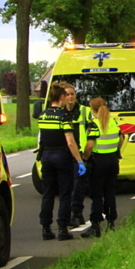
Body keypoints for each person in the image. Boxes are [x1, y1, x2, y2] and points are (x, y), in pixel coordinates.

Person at [38, 83, 86, 241]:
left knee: (48, 193)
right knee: (65, 193)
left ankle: (46, 228)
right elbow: (70, 142)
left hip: (46, 156)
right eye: (66, 96)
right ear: (61, 97)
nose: (68, 99)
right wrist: (79, 161)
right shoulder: (64, 116)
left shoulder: (43, 115)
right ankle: (63, 228)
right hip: (61, 156)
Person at [82, 98, 123, 238]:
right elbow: (121, 139)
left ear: (92, 110)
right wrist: (116, 152)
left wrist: (84, 159)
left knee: (97, 194)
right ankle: (111, 223)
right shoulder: (113, 122)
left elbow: (89, 145)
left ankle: (95, 224)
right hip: (112, 160)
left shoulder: (93, 124)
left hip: (98, 161)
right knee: (110, 192)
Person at [61, 82, 97, 227]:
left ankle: (77, 214)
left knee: (78, 185)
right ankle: (67, 215)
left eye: (72, 94)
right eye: (67, 94)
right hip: (64, 153)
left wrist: (86, 155)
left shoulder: (85, 111)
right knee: (66, 186)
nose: (70, 97)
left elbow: (92, 131)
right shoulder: (59, 112)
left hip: (80, 153)